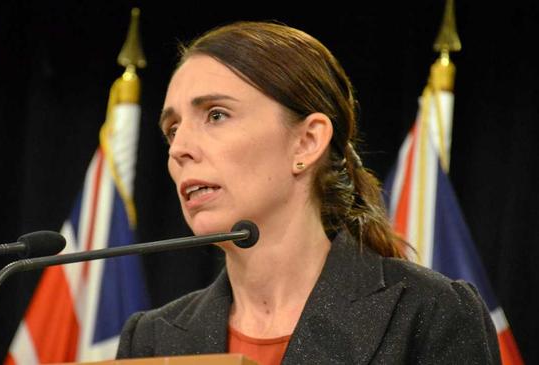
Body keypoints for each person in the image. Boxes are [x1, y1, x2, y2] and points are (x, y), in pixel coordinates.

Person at [116, 21, 500, 365]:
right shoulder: (152, 339)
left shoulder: (429, 312)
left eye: (216, 115)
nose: (178, 148)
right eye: (172, 129)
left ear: (306, 142)